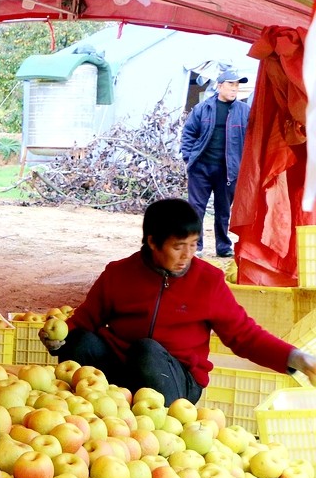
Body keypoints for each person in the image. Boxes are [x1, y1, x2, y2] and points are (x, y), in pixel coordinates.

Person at [41, 198, 316, 404]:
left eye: (193, 244)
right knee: (81, 341)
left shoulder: (208, 281)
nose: (187, 255)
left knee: (147, 351)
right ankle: (84, 414)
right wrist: (57, 337)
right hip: (121, 370)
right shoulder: (119, 274)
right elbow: (84, 320)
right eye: (178, 246)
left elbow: (245, 335)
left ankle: (162, 428)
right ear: (152, 242)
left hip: (176, 378)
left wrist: (297, 358)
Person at [180, 70, 249, 257]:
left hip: (228, 170)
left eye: (237, 85)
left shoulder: (244, 111)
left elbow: (252, 138)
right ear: (219, 86)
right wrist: (188, 158)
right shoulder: (203, 108)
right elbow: (188, 134)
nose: (234, 88)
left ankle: (223, 247)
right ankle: (195, 246)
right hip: (201, 167)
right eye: (230, 84)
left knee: (223, 210)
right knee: (196, 208)